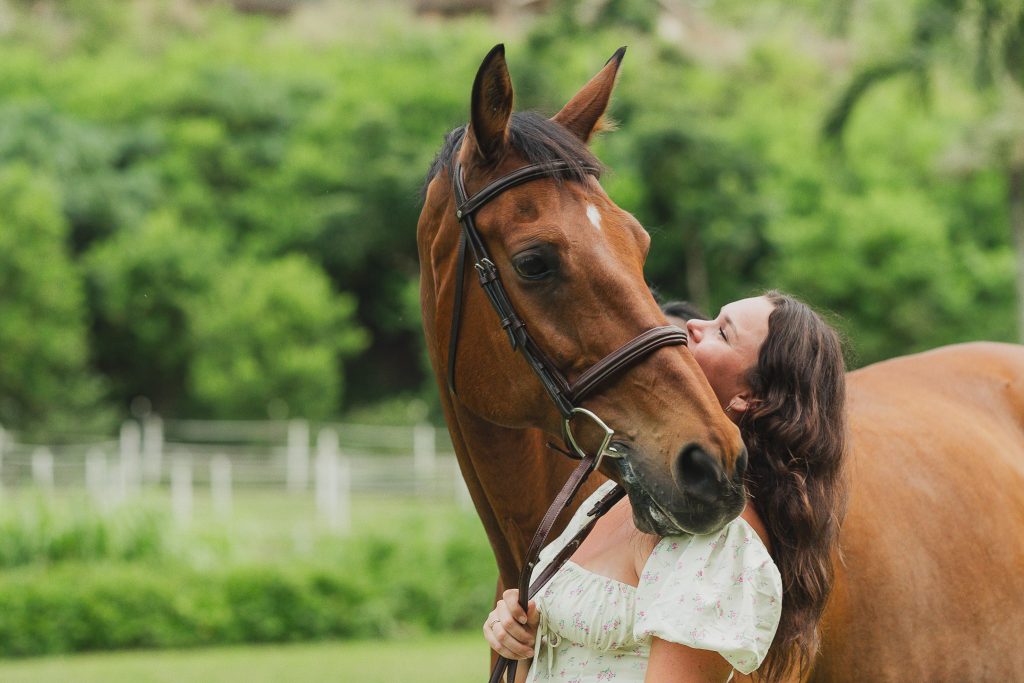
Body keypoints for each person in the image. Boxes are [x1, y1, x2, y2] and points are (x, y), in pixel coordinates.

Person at [483, 290, 848, 683]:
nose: (693, 324)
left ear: (749, 399)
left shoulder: (720, 543)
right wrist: (519, 637)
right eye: (712, 316)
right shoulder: (615, 496)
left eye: (722, 332)